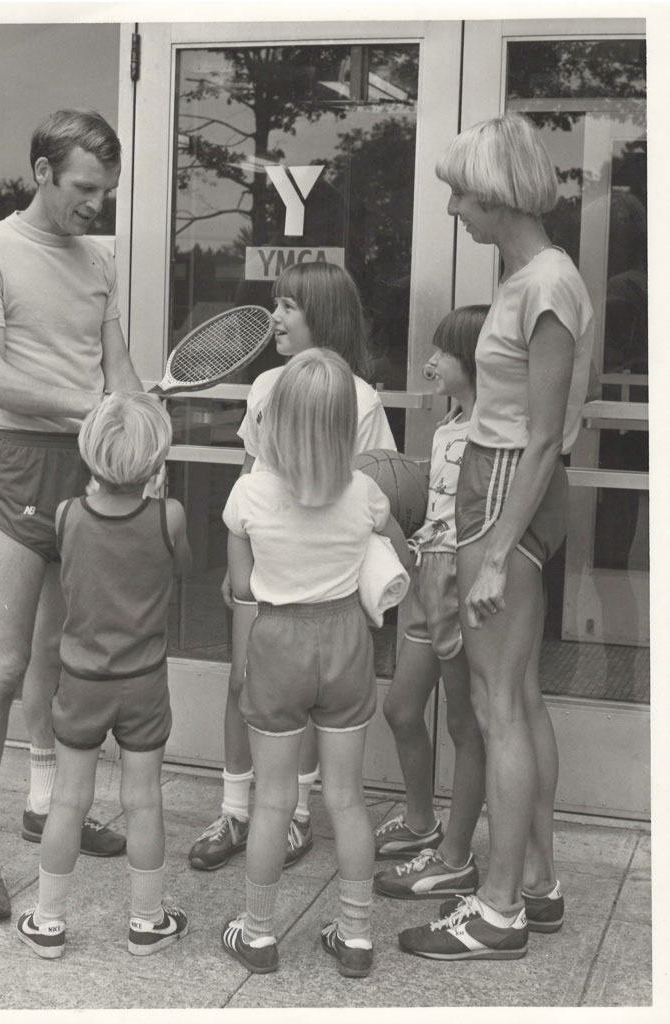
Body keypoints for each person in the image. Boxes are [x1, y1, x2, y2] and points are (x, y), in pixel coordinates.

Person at [398, 112, 594, 960]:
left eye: (459, 193)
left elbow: (544, 436)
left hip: (509, 491)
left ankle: (500, 911)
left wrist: (492, 556)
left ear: (497, 193)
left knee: (496, 707)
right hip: (494, 485)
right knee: (518, 701)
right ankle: (537, 885)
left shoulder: (547, 281)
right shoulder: (524, 279)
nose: (452, 210)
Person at [0, 109, 143, 921]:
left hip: (92, 469)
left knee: (57, 658)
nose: (97, 204)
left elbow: (117, 361)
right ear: (41, 173)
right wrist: (94, 407)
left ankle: (40, 803)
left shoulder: (100, 256)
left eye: (107, 190)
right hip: (21, 463)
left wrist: (134, 421)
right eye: (84, 188)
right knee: (0, 659)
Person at [189, 262, 397, 873]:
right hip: (264, 570)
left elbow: (372, 487)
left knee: (304, 698)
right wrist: (239, 558)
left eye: (288, 306)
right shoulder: (263, 386)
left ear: (324, 316)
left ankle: (295, 816)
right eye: (274, 303)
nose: (273, 318)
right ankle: (234, 809)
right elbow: (253, 476)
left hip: (318, 591)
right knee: (243, 681)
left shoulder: (361, 398)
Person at [218, 348, 410, 977]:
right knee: (348, 800)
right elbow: (396, 556)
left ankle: (259, 933)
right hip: (347, 642)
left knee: (273, 800)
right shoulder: (365, 492)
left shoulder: (248, 494)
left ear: (274, 420)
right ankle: (355, 938)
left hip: (278, 644)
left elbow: (242, 586)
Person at [16, 391, 192, 959]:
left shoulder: (67, 515)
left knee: (67, 800)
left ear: (90, 457)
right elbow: (182, 566)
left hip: (81, 681)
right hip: (143, 682)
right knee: (143, 800)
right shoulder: (170, 516)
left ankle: (47, 922)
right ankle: (147, 921)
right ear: (156, 463)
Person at [373, 306, 488, 899]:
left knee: (466, 725)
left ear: (474, 360)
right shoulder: (451, 421)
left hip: (459, 578)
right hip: (425, 573)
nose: (432, 360)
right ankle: (422, 821)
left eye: (443, 352)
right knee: (399, 708)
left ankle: (456, 856)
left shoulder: (490, 429)